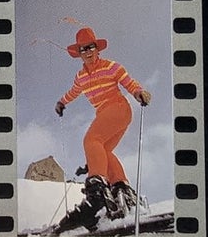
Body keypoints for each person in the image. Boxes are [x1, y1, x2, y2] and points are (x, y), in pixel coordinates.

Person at [54, 27, 150, 221]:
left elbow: (129, 82)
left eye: (91, 47)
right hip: (104, 114)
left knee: (91, 140)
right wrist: (62, 102)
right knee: (103, 151)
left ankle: (96, 190)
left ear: (97, 48)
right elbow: (73, 92)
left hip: (118, 108)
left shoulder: (111, 66)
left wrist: (139, 92)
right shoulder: (80, 77)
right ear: (79, 53)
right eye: (83, 49)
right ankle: (121, 189)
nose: (88, 52)